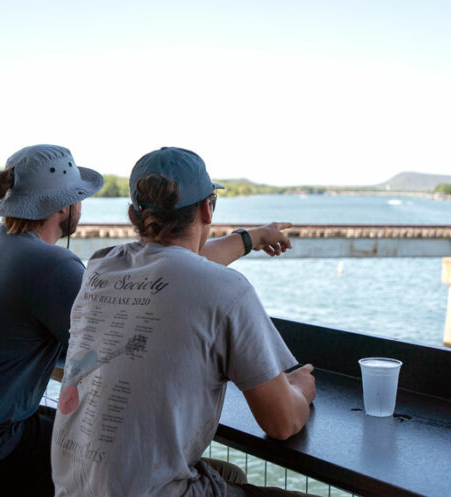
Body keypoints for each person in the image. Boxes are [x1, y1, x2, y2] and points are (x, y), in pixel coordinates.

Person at [0, 144, 293, 497]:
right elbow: (168, 282)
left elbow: (173, 270)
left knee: (75, 440)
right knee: (107, 457)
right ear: (66, 205)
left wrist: (249, 239)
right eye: (80, 195)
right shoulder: (50, 265)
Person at [51, 147, 317, 497]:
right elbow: (282, 423)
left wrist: (251, 238)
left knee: (224, 473)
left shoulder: (101, 267)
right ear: (208, 208)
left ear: (133, 213)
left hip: (71, 490)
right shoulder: (227, 290)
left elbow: (174, 263)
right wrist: (300, 388)